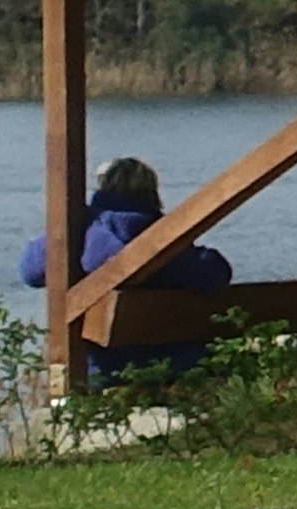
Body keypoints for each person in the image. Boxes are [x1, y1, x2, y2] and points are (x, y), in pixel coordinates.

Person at [19, 152, 230, 384]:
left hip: (101, 372)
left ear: (103, 189)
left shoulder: (83, 231)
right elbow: (217, 273)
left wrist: (77, 222)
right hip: (173, 366)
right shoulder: (165, 239)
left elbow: (30, 271)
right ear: (153, 193)